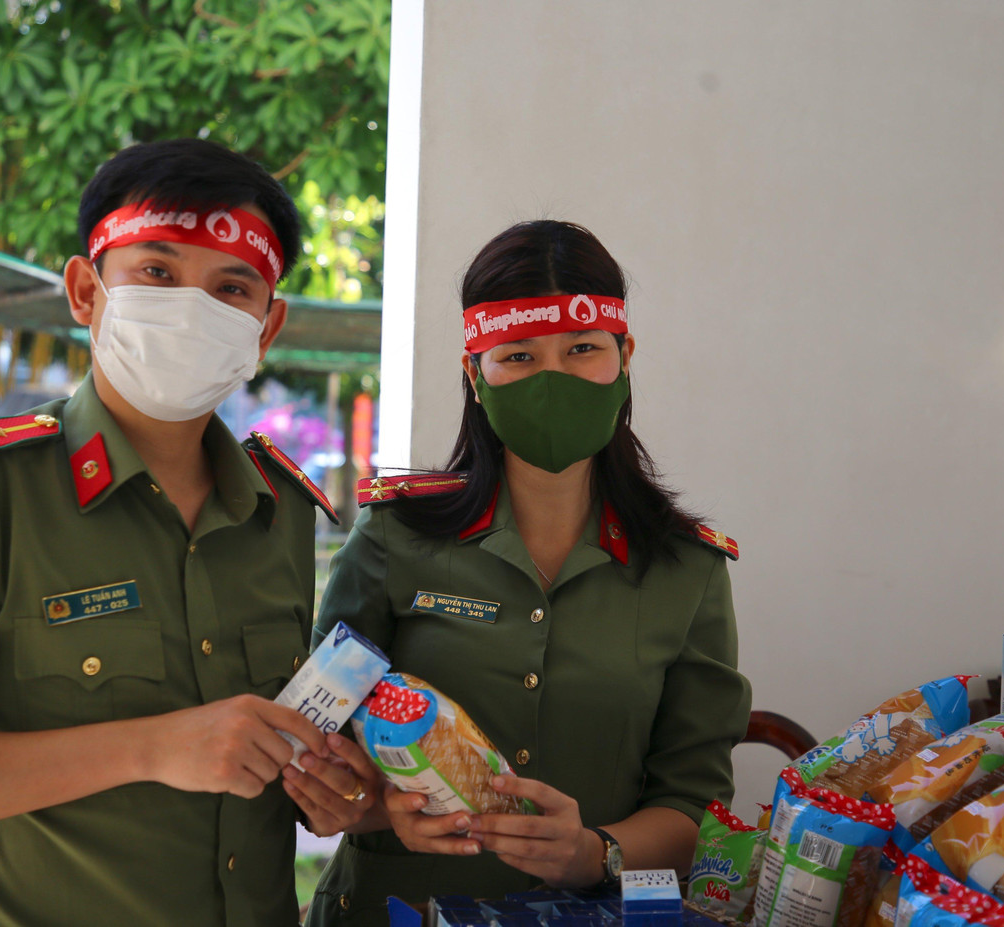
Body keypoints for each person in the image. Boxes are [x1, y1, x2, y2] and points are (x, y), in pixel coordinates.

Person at [0, 139, 377, 926]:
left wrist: (330, 791)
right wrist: (151, 747)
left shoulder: (277, 509)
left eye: (231, 287)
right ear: (86, 290)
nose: (191, 307)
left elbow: (260, 766)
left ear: (267, 326)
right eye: (156, 272)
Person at [304, 220, 752, 923]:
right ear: (475, 375)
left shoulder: (686, 569)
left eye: (582, 349)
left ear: (624, 355)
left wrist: (594, 851)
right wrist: (379, 808)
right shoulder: (394, 537)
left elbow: (696, 805)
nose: (554, 379)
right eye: (517, 355)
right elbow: (317, 747)